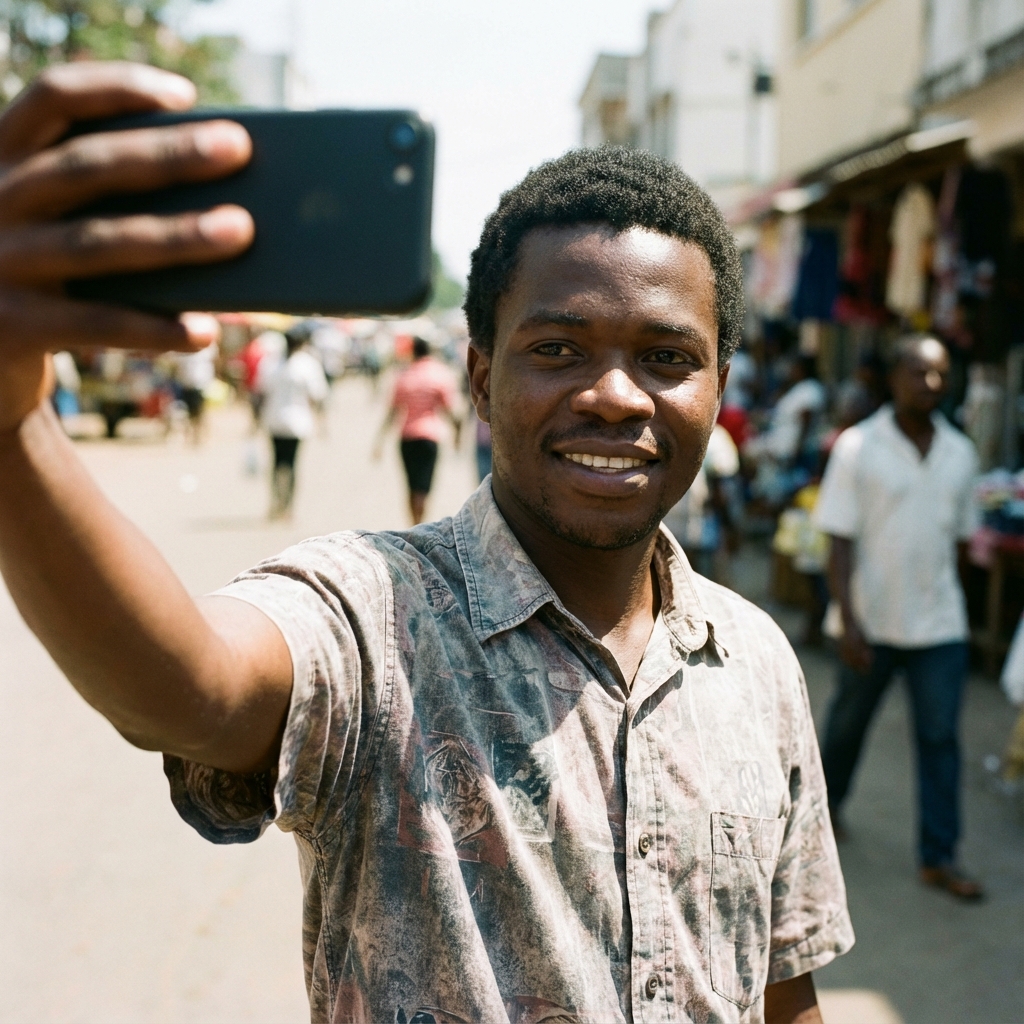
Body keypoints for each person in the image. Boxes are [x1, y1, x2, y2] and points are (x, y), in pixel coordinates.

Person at [0, 64, 852, 1024]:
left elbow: (787, 991)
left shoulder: (758, 662)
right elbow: (189, 687)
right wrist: (14, 425)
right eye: (559, 349)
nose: (616, 395)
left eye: (665, 359)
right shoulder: (374, 613)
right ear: (480, 381)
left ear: (717, 390)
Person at [814, 335, 983, 900]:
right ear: (894, 378)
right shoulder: (858, 447)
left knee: (940, 738)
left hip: (939, 626)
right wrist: (848, 619)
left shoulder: (961, 453)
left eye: (939, 374)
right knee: (846, 726)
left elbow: (960, 544)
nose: (930, 384)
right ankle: (822, 812)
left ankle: (940, 855)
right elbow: (837, 539)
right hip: (873, 621)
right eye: (918, 372)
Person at [375, 336, 461, 524]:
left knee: (411, 485)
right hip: (430, 436)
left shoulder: (405, 375)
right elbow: (449, 410)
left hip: (407, 436)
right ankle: (420, 524)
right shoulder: (439, 374)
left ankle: (413, 524)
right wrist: (457, 433)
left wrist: (379, 442)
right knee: (424, 487)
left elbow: (393, 411)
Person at [259, 323, 328, 519]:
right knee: (291, 464)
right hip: (297, 423)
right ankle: (287, 506)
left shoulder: (271, 362)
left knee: (276, 464)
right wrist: (322, 424)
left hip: (274, 420)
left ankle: (276, 503)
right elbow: (317, 396)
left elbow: (261, 392)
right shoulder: (307, 364)